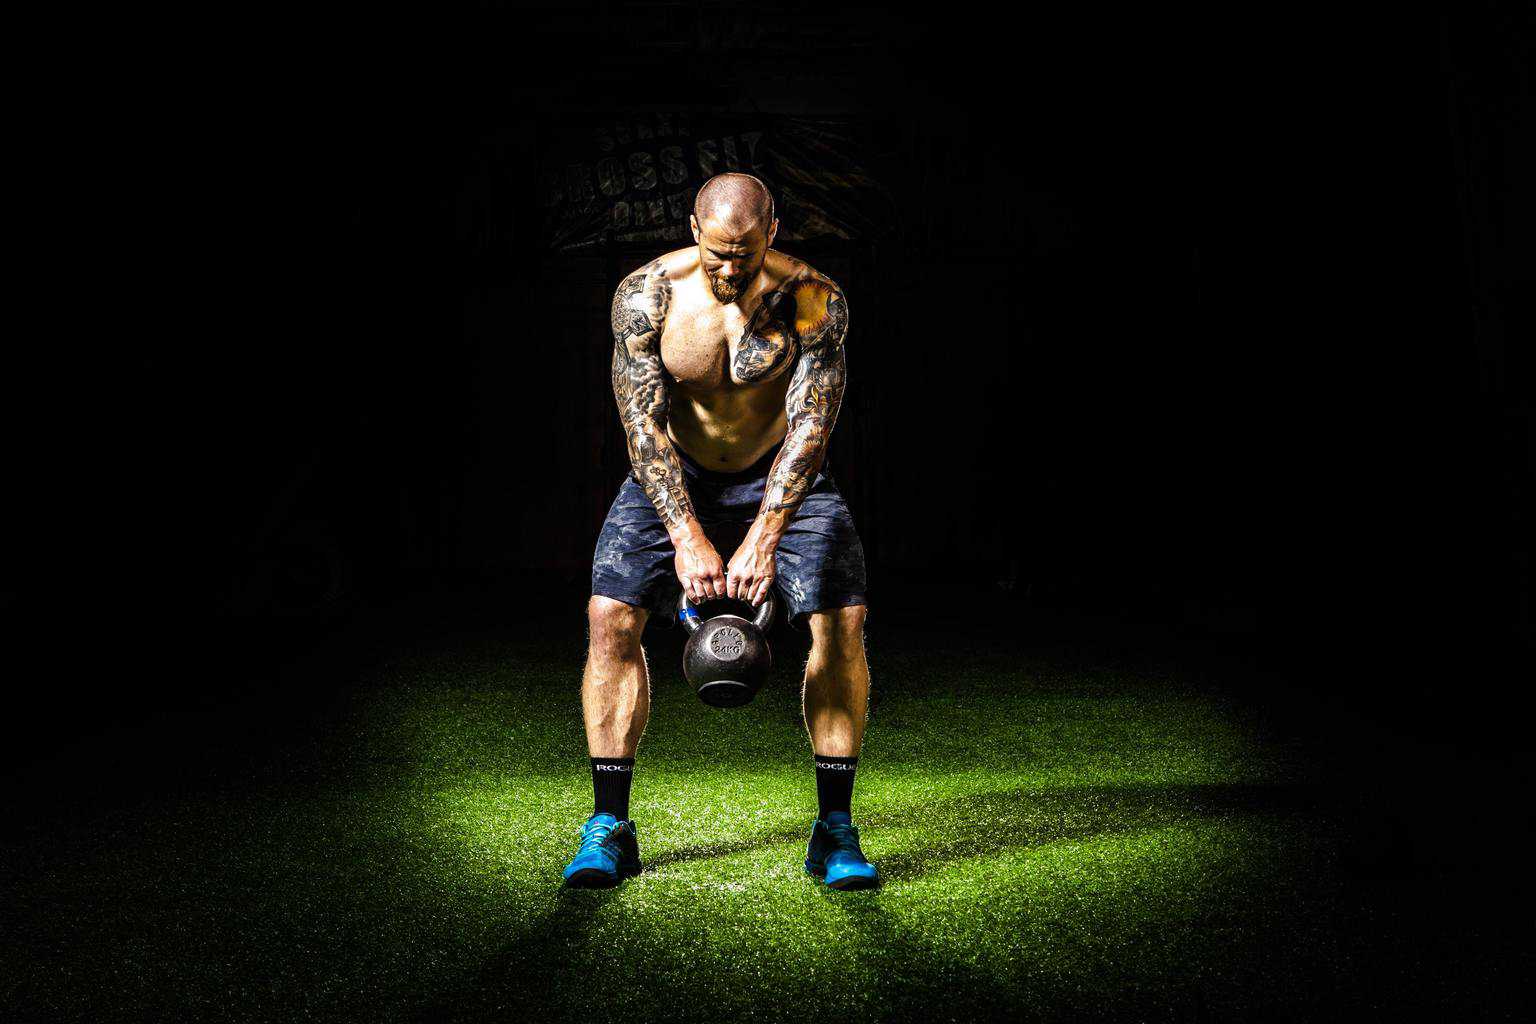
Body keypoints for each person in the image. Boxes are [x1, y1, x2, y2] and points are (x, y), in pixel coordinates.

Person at [563, 172, 877, 889]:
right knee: (610, 618)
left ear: (773, 231)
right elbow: (641, 427)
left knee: (844, 621)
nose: (731, 269)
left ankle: (834, 830)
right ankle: (609, 826)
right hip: (676, 475)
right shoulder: (648, 295)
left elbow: (810, 428)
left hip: (780, 476)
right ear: (694, 230)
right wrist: (686, 535)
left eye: (745, 253)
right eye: (718, 254)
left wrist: (766, 534)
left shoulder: (812, 300)